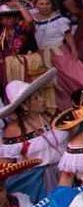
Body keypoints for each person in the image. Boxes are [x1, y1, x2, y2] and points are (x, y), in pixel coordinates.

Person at [0, 70, 65, 200]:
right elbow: (5, 163)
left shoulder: (51, 117)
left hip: (64, 173)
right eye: (36, 98)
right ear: (24, 106)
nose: (42, 100)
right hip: (38, 184)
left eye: (40, 95)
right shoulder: (14, 130)